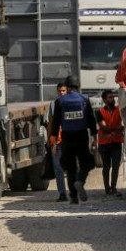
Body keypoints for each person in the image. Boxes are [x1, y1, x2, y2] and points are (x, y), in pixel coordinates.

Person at [48, 75, 97, 204]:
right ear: (78, 86)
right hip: (81, 136)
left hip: (67, 137)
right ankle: (80, 181)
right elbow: (91, 120)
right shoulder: (84, 99)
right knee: (87, 163)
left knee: (70, 168)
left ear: (67, 86)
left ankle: (73, 197)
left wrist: (53, 141)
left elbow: (56, 122)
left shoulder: (60, 101)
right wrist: (94, 137)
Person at [96, 90, 125, 197]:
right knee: (106, 167)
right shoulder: (99, 112)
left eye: (113, 97)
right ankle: (107, 189)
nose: (112, 99)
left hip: (116, 143)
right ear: (104, 100)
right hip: (104, 144)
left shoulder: (119, 110)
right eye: (109, 97)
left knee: (116, 166)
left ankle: (113, 188)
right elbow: (104, 128)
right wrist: (117, 127)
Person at [50, 82, 69, 203]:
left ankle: (74, 192)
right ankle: (62, 193)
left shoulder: (71, 103)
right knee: (58, 168)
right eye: (59, 91)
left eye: (63, 91)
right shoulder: (53, 104)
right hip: (57, 141)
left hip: (69, 140)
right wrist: (51, 142)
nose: (61, 93)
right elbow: (51, 123)